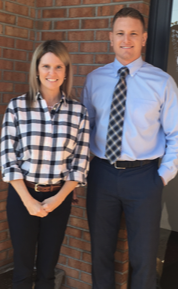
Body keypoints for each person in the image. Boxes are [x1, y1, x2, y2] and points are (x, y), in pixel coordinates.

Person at [81, 7, 178, 289]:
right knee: (100, 255)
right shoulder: (94, 80)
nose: (127, 40)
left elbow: (175, 133)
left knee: (144, 259)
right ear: (110, 38)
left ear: (144, 38)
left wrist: (161, 176)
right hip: (101, 175)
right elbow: (84, 129)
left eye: (133, 34)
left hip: (144, 178)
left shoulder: (162, 82)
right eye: (120, 33)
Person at [1, 40, 90, 289]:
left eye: (59, 67)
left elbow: (80, 163)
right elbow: (8, 159)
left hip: (58, 199)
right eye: (46, 66)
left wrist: (58, 199)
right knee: (22, 269)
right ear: (37, 69)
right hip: (22, 197)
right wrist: (29, 201)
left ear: (66, 70)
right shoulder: (17, 107)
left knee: (48, 271)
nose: (52, 73)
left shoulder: (78, 113)